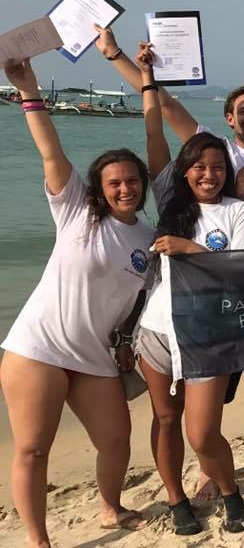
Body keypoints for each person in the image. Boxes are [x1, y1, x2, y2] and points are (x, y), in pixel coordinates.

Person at [96, 27, 244, 493]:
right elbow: (164, 114)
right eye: (242, 109)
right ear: (227, 117)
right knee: (211, 395)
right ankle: (210, 468)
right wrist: (125, 61)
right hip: (203, 304)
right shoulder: (212, 154)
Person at [1, 57, 153, 546]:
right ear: (99, 188)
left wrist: (128, 339)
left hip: (93, 358)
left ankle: (110, 508)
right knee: (33, 450)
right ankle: (39, 539)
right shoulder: (76, 211)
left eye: (132, 180)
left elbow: (138, 299)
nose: (125, 188)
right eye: (114, 183)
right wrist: (28, 90)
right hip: (36, 351)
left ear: (142, 185)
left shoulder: (148, 239)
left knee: (115, 439)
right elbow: (51, 152)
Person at [132, 45, 244, 534]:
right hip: (157, 332)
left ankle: (229, 492)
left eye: (218, 168)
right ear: (184, 171)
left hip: (211, 332)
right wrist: (146, 77)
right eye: (200, 167)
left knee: (203, 432)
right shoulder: (169, 202)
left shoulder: (238, 212)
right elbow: (153, 134)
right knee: (165, 421)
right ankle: (176, 499)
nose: (209, 175)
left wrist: (191, 250)